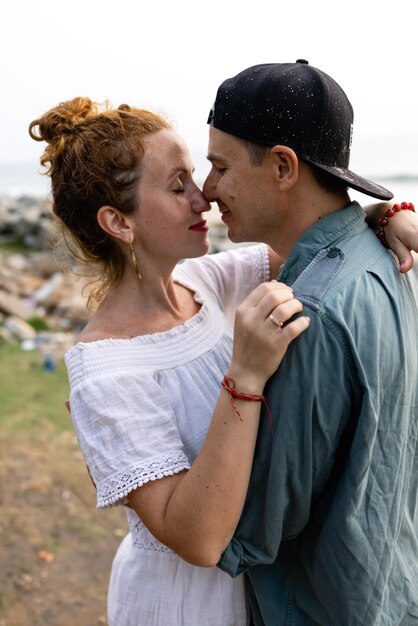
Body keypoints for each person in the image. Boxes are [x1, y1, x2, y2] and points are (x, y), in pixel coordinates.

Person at [29, 95, 416, 626]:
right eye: (177, 186)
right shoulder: (105, 372)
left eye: (198, 175)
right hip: (186, 605)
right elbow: (199, 540)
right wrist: (246, 374)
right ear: (119, 222)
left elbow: (307, 231)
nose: (204, 198)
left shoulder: (209, 281)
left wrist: (383, 214)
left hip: (263, 589)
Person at [202, 59, 418, 625]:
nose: (207, 189)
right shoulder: (385, 258)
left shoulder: (306, 315)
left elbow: (248, 531)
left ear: (282, 167)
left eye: (220, 167)